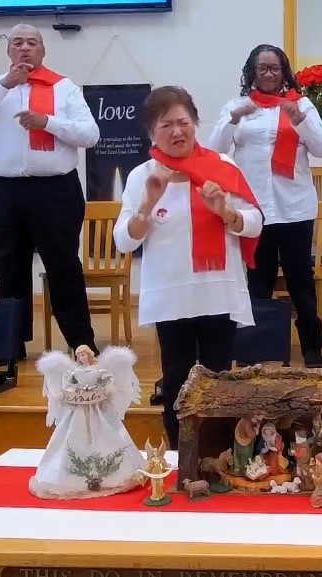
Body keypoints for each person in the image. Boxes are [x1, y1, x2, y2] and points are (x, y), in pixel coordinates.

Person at [113, 86, 264, 449]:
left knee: (218, 379)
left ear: (196, 124)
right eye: (166, 125)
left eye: (184, 122)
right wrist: (149, 202)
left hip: (217, 291)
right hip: (171, 297)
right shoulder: (142, 177)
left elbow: (256, 222)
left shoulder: (222, 166)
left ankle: (219, 456)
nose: (177, 131)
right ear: (152, 132)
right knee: (176, 379)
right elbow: (124, 240)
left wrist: (225, 212)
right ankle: (182, 457)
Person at [0, 23, 99, 360]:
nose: (24, 48)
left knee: (63, 267)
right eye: (17, 42)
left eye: (31, 42)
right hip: (6, 190)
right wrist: (6, 85)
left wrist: (47, 122)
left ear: (42, 51)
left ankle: (81, 343)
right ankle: (9, 344)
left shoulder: (64, 88)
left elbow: (90, 135)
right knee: (8, 269)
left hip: (55, 190)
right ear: (8, 53)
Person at [209, 44, 322, 368]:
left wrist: (300, 121)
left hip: (294, 208)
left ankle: (311, 345)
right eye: (262, 68)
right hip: (252, 211)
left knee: (300, 281)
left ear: (284, 72)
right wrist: (233, 120)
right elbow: (215, 151)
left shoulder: (300, 104)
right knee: (257, 281)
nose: (268, 73)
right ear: (251, 71)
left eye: (274, 68)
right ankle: (257, 347)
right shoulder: (237, 106)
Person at [29, 345, 146, 500]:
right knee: (75, 434)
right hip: (78, 408)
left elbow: (108, 380)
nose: (81, 358)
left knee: (105, 433)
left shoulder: (98, 370)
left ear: (89, 355)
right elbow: (66, 384)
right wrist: (73, 391)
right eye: (79, 355)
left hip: (98, 409)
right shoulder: (74, 372)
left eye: (84, 354)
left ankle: (113, 473)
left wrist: (104, 390)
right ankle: (74, 478)